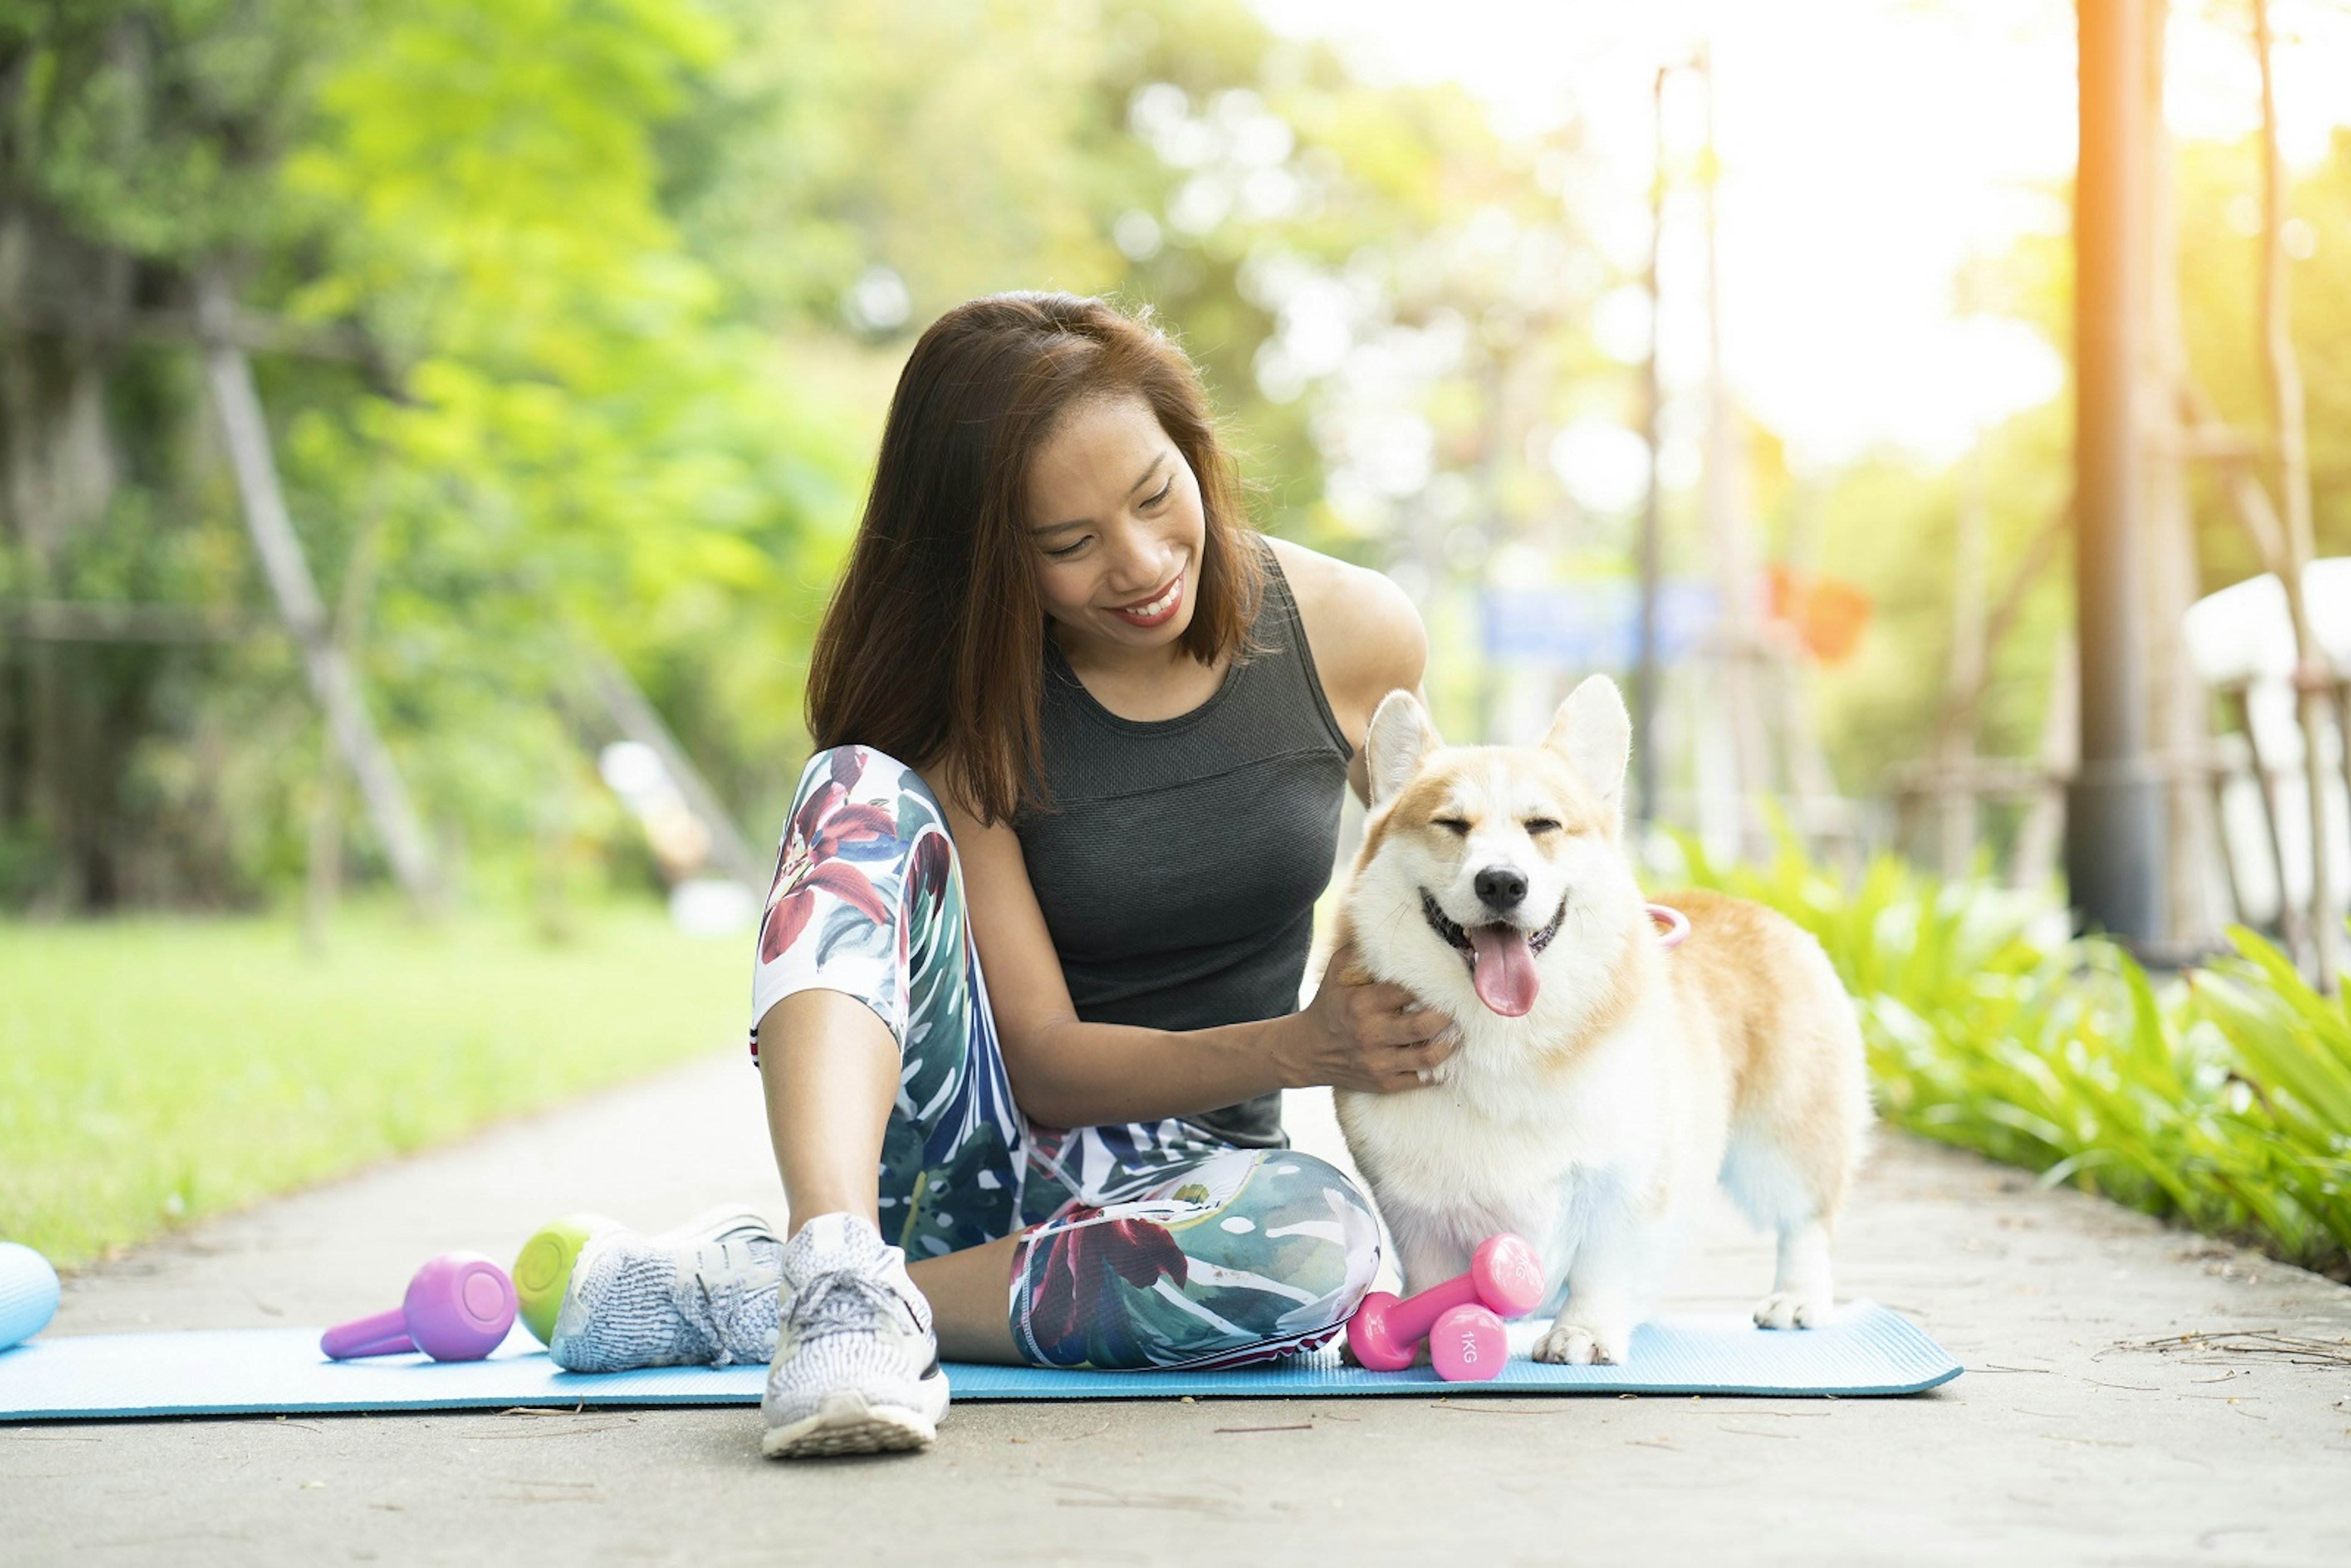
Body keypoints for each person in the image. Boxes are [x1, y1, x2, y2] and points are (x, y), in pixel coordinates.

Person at [520, 292, 1454, 1458]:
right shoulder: (972, 707)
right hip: (972, 1150)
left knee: (1325, 1247)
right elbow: (1047, 1065)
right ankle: (837, 1258)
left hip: (1188, 1188)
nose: (1142, 562)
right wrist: (1300, 1045)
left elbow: (1448, 878)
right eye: (1069, 545)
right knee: (852, 784)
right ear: (994, 557)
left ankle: (768, 1294)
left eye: (1159, 496)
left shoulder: (1356, 633)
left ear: (1193, 451)